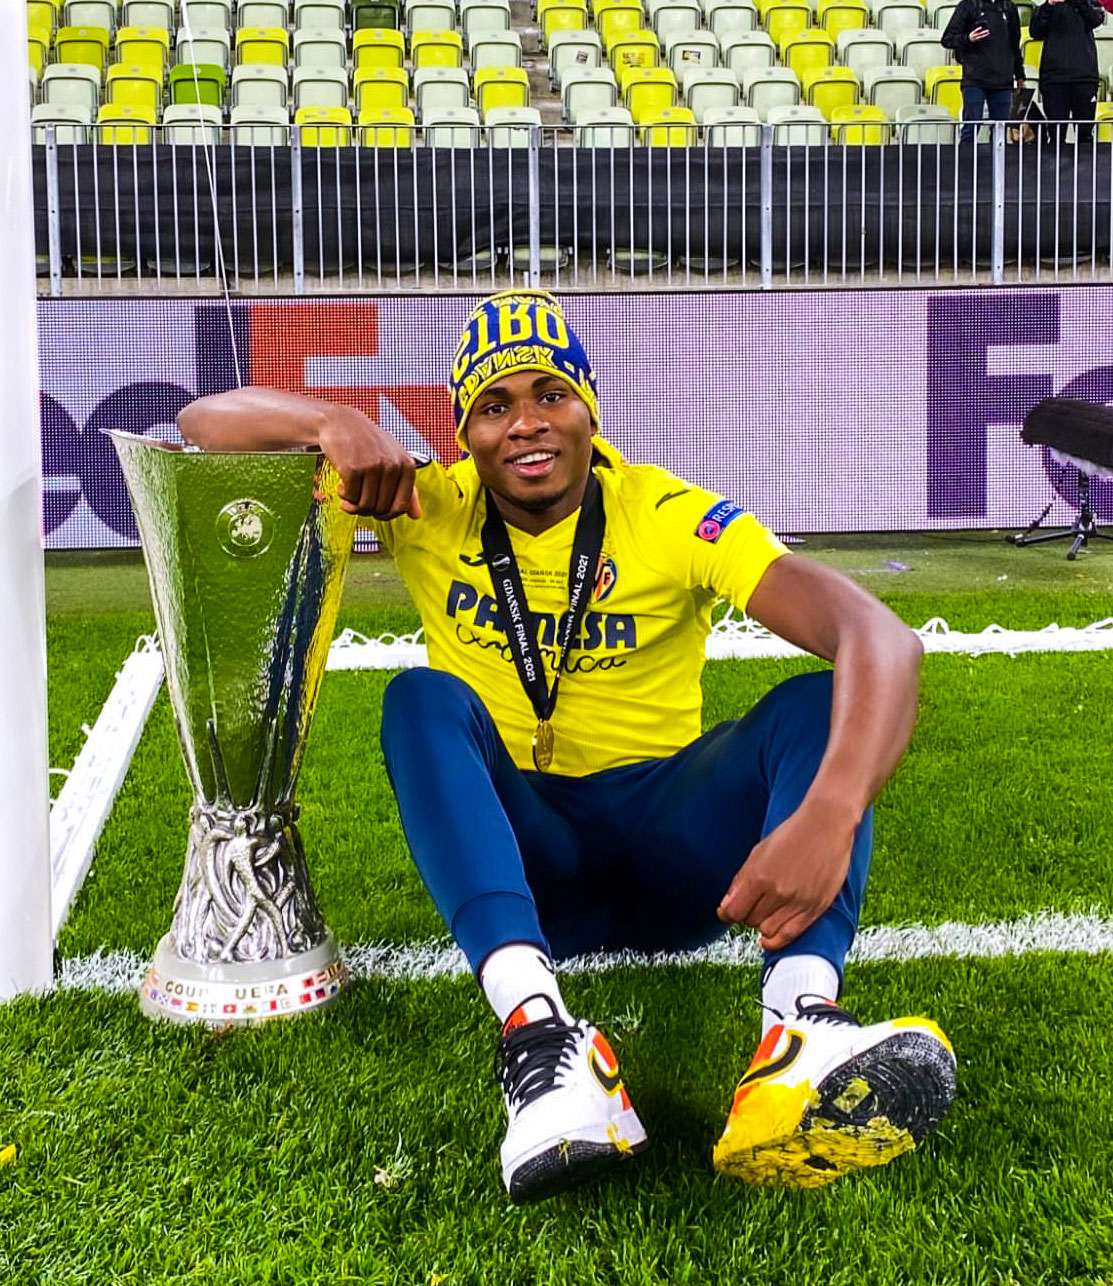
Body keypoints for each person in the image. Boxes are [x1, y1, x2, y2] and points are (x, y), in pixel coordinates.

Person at [177, 290, 956, 1203]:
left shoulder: (668, 513)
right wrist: (328, 420)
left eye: (551, 394)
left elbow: (880, 641)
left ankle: (800, 1029)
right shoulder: (430, 504)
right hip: (529, 861)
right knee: (419, 700)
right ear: (463, 434)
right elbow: (204, 424)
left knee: (816, 706)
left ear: (591, 409)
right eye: (493, 405)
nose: (526, 423)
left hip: (680, 857)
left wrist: (829, 812)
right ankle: (539, 1038)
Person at [942, 0, 1026, 144]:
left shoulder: (1009, 7)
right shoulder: (968, 5)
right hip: (974, 80)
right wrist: (968, 38)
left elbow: (1014, 44)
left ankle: (997, 159)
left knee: (1000, 130)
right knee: (971, 126)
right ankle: (965, 158)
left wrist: (1019, 75)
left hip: (1003, 81)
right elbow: (947, 39)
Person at [1029, 0, 1106, 145]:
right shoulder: (1045, 8)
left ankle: (1085, 160)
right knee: (1056, 135)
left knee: (1085, 135)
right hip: (1054, 79)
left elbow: (1096, 20)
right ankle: (1055, 160)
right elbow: (1035, 31)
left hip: (1084, 78)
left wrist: (1081, 3)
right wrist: (1050, 5)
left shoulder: (1089, 3)